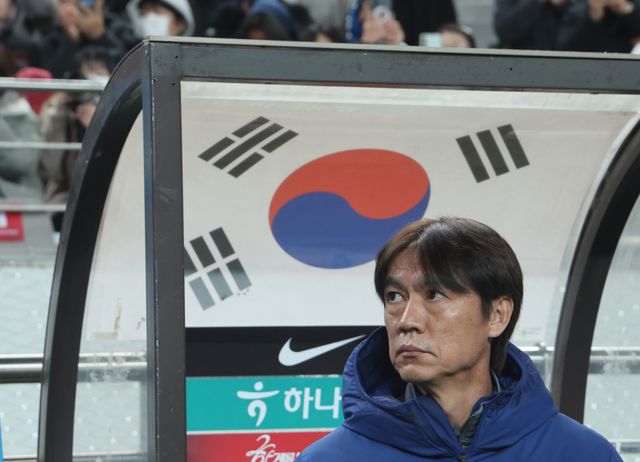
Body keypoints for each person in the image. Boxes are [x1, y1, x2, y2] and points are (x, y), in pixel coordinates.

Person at [297, 217, 623, 461]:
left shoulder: (583, 454)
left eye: (434, 295)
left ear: (497, 316)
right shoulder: (327, 459)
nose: (407, 320)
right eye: (395, 296)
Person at [127, 0, 195, 38]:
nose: (150, 17)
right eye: (143, 13)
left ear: (180, 24)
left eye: (157, 12)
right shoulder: (127, 56)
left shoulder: (194, 58)